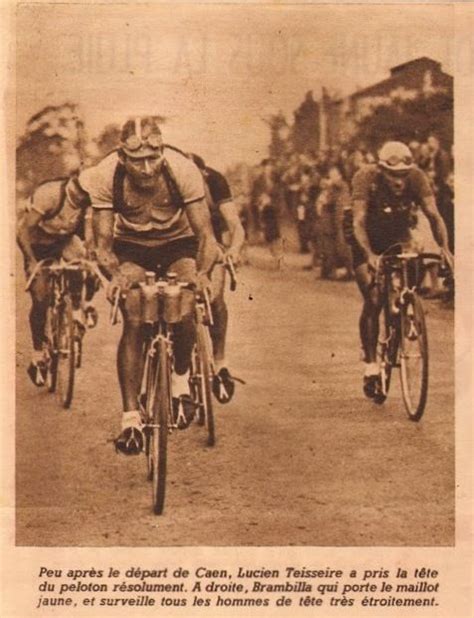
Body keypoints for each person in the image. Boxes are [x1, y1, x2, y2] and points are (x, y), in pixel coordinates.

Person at [78, 117, 219, 455]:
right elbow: (102, 244)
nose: (145, 169)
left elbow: (206, 237)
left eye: (152, 159)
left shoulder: (183, 170)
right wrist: (115, 276)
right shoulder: (105, 175)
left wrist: (201, 275)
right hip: (132, 247)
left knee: (184, 305)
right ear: (122, 158)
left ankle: (181, 382)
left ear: (162, 153)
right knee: (134, 318)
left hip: (178, 243)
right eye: (136, 161)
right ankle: (130, 420)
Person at [348, 141, 454, 399]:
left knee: (410, 269)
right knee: (373, 297)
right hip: (366, 235)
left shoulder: (417, 177)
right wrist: (370, 255)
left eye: (403, 175)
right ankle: (371, 365)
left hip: (397, 229)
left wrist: (445, 249)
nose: (399, 181)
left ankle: (402, 309)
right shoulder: (366, 177)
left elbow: (434, 215)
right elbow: (359, 221)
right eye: (393, 175)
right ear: (382, 170)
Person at [17, 176, 97, 386]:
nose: (83, 199)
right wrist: (31, 261)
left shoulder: (87, 203)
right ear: (74, 186)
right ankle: (37, 353)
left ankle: (78, 310)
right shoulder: (50, 194)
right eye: (80, 194)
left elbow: (88, 235)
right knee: (41, 298)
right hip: (37, 244)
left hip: (63, 241)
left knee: (80, 265)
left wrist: (91, 256)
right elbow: (23, 230)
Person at [189, 153, 245, 403]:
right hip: (180, 247)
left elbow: (234, 223)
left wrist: (233, 249)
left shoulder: (215, 181)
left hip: (212, 246)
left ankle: (220, 361)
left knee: (216, 299)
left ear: (204, 175)